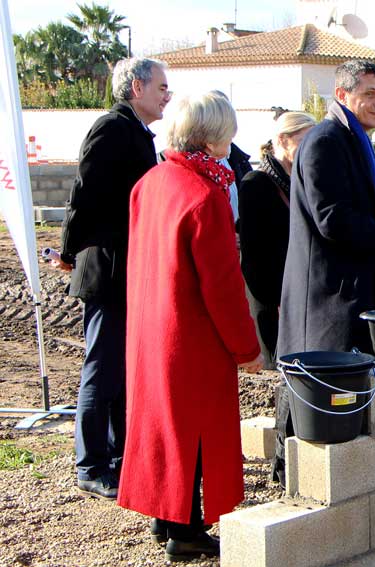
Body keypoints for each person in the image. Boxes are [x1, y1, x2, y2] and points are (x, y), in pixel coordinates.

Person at [117, 91, 263, 562]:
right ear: (213, 136)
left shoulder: (152, 181)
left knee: (161, 428)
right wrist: (247, 348)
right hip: (191, 335)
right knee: (196, 434)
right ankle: (187, 529)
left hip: (150, 326)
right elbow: (223, 286)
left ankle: (166, 517)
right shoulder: (205, 195)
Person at [53, 57, 171, 499]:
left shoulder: (138, 133)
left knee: (122, 366)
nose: (167, 95)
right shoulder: (111, 127)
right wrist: (68, 250)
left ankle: (120, 453)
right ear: (136, 87)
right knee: (102, 367)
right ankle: (91, 463)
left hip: (130, 269)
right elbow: (83, 195)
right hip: (107, 269)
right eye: (161, 87)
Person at [277, 60, 375, 356]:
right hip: (331, 308)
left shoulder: (352, 139)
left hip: (354, 300)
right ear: (342, 93)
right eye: (369, 94)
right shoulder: (325, 141)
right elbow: (333, 220)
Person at [237, 111, 317, 484]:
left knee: (296, 376)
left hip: (300, 296)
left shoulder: (298, 179)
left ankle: (290, 460)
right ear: (283, 141)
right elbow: (253, 257)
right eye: (305, 139)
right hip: (276, 301)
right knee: (289, 378)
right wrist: (278, 299)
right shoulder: (256, 185)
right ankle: (284, 465)